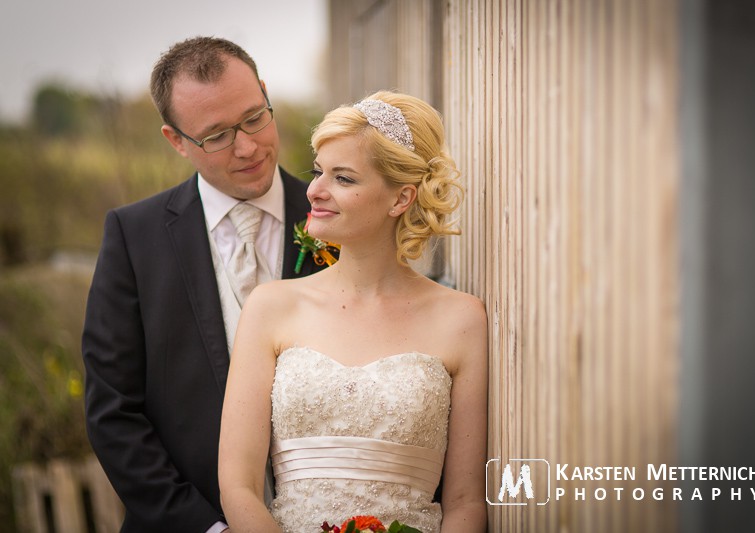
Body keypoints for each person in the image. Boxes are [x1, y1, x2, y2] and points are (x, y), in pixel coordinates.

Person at [82, 36, 324, 532]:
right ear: (176, 141)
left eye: (255, 117)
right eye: (216, 135)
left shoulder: (339, 221)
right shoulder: (133, 237)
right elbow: (113, 411)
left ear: (263, 91)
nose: (248, 146)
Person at [218, 91, 488, 532]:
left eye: (343, 178)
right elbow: (238, 485)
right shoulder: (271, 307)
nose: (314, 191)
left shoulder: (462, 320)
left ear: (400, 199)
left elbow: (465, 501)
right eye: (317, 171)